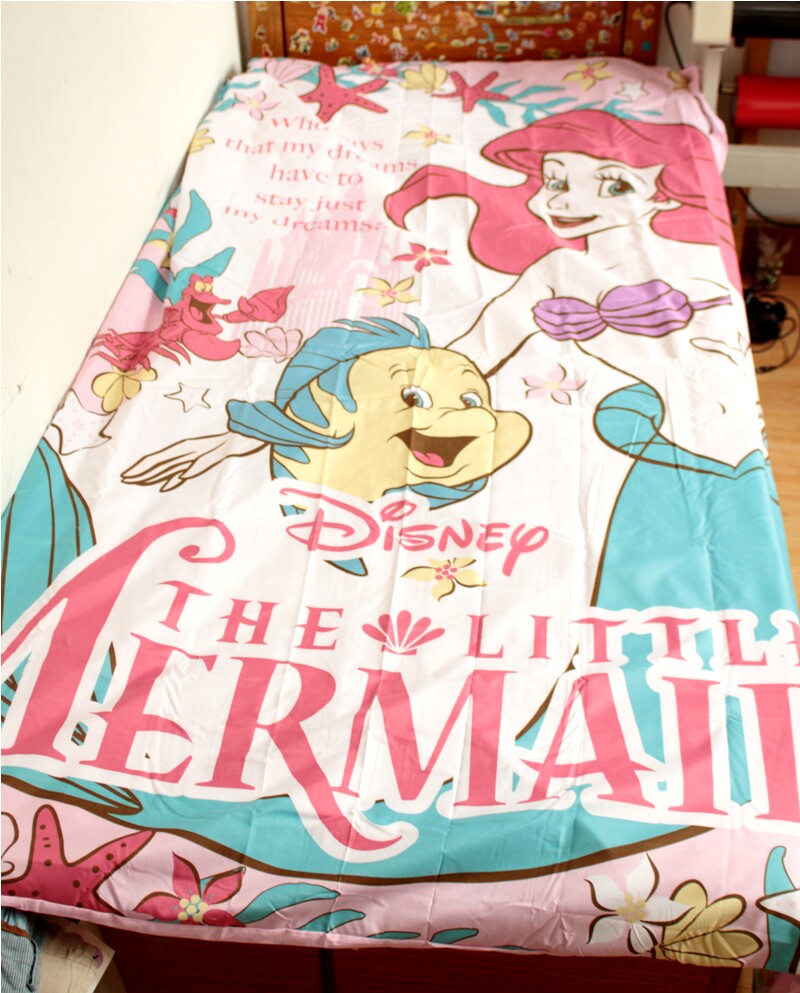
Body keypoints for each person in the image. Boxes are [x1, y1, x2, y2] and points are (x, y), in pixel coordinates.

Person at [386, 110, 759, 467]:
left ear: (663, 195)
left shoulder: (696, 262)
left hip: (710, 418)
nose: (564, 200)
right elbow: (477, 346)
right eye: (555, 182)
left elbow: (720, 338)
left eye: (615, 186)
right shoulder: (554, 270)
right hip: (643, 434)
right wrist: (407, 393)